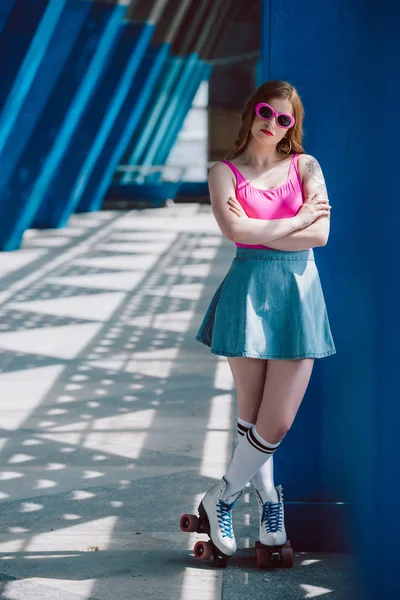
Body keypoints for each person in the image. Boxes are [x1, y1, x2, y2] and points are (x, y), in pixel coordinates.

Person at [194, 80, 335, 562]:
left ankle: (223, 497)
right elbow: (236, 231)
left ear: (292, 127)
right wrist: (295, 220)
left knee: (276, 420)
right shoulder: (223, 172)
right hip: (247, 293)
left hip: (299, 295)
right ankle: (272, 510)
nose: (271, 124)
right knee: (251, 415)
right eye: (264, 112)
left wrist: (262, 231)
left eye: (284, 119)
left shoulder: (306, 166)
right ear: (250, 113)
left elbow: (321, 234)